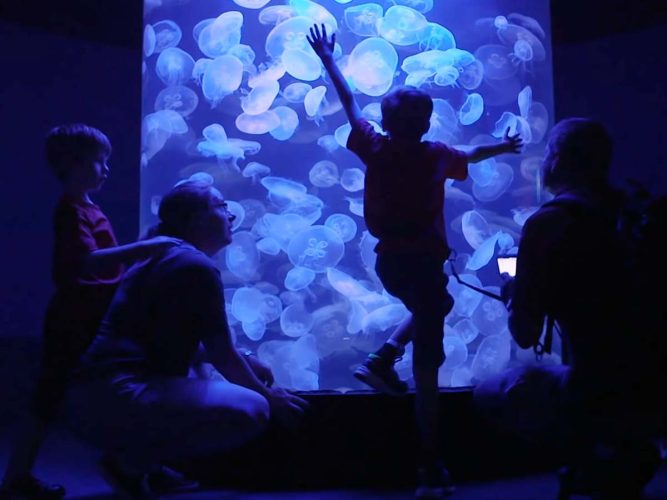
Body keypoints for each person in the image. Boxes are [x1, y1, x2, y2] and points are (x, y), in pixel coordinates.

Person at [307, 24, 523, 498]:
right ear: (426, 123)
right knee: (428, 367)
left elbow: (348, 103)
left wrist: (327, 59)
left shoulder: (375, 146)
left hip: (391, 263)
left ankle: (383, 358)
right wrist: (504, 147)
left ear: (387, 122)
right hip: (423, 263)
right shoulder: (436, 155)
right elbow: (470, 151)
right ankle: (430, 462)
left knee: (436, 307)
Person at [64, 180, 309, 498]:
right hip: (115, 396)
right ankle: (130, 463)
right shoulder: (195, 266)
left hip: (91, 395)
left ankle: (147, 465)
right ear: (195, 219)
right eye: (221, 206)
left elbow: (170, 340)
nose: (232, 215)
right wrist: (270, 397)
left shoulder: (163, 257)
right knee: (253, 409)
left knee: (204, 373)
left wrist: (245, 358)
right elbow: (222, 354)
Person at [474, 118, 661, 499]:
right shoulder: (636, 212)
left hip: (595, 383)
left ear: (556, 160)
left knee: (491, 392)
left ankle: (589, 451)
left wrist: (515, 294)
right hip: (656, 379)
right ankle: (626, 444)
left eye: (546, 154)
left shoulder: (549, 223)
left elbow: (525, 334)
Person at [0, 123, 184, 500]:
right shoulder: (71, 211)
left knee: (118, 388)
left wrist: (146, 246)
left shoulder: (86, 207)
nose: (106, 170)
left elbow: (106, 264)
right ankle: (16, 477)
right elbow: (88, 262)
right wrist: (143, 249)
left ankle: (141, 464)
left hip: (93, 314)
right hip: (73, 317)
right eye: (100, 162)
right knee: (47, 397)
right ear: (73, 165)